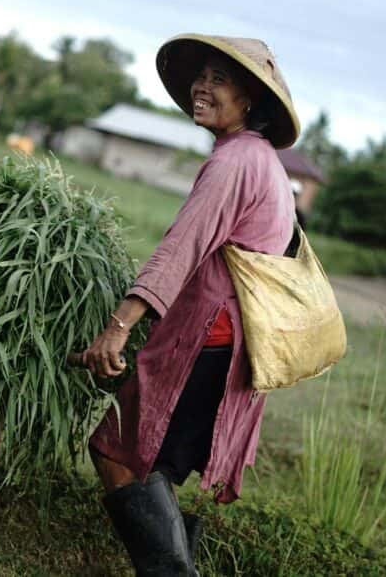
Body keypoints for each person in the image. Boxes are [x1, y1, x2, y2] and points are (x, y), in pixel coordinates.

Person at [80, 34, 302, 575]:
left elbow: (180, 250)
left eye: (219, 80)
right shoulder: (261, 160)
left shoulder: (235, 163)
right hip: (230, 345)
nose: (202, 87)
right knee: (153, 461)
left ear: (251, 100)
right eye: (201, 77)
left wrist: (118, 327)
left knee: (116, 450)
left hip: (211, 341)